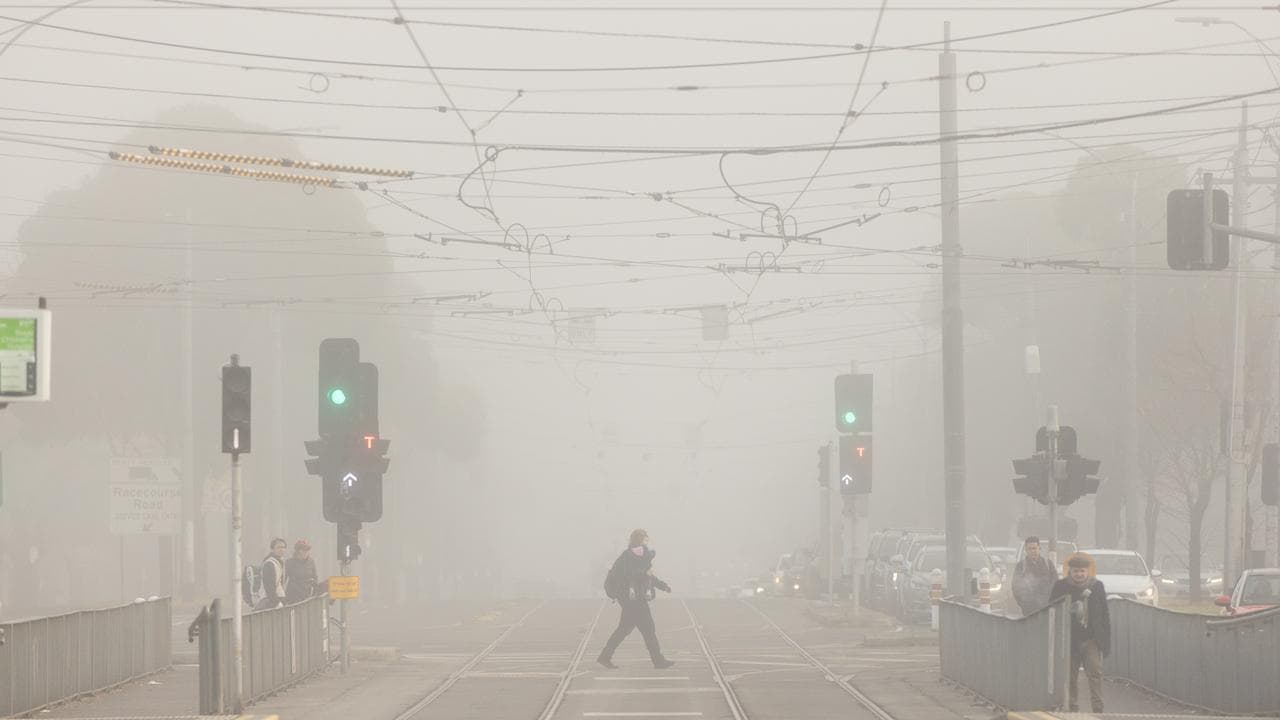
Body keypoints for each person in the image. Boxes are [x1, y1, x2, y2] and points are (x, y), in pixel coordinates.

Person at [597, 529, 675, 670]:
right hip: (632, 599)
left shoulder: (642, 556)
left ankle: (605, 657)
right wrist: (644, 574)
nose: (647, 541)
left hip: (634, 599)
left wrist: (663, 586)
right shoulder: (628, 557)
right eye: (645, 539)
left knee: (624, 629)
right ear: (639, 540)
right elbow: (629, 576)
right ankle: (658, 661)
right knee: (648, 629)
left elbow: (648, 576)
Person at [1050, 553, 1111, 714]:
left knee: (1096, 674)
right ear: (1070, 571)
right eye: (1076, 571)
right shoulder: (1061, 586)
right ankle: (1072, 710)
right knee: (1070, 677)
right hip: (1068, 639)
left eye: (1082, 571)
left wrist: (1105, 642)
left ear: (1088, 571)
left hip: (1091, 639)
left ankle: (1098, 710)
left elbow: (1104, 614)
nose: (1079, 574)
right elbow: (1052, 610)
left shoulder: (1097, 586)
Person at [1011, 536, 1057, 616]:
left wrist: (1050, 600)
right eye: (1030, 549)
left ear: (1039, 549)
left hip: (1046, 607)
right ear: (1026, 550)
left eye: (1035, 548)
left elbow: (1055, 583)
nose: (1033, 551)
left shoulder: (1048, 564)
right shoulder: (1021, 566)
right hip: (1028, 609)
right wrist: (1022, 603)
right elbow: (1015, 586)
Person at [258, 537, 289, 610]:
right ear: (272, 549)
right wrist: (276, 602)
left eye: (284, 547)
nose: (282, 549)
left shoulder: (280, 562)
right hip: (270, 601)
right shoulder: (269, 563)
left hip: (279, 599)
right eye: (279, 547)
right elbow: (269, 585)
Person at [285, 539, 318, 605]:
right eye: (303, 549)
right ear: (297, 551)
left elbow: (315, 577)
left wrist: (315, 591)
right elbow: (283, 579)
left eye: (307, 549)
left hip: (307, 594)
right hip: (293, 595)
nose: (305, 552)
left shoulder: (311, 562)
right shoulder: (289, 562)